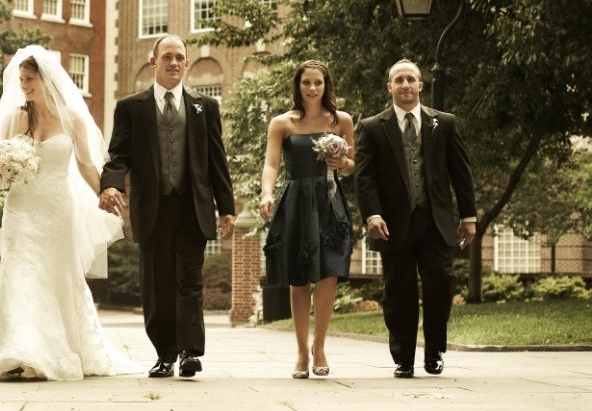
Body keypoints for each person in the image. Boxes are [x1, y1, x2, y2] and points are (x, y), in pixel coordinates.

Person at [0, 45, 139, 381]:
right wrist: (2, 172)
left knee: (55, 276)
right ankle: (18, 351)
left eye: (29, 79)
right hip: (21, 207)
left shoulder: (71, 117)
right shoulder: (16, 116)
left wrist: (105, 189)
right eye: (21, 79)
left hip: (56, 208)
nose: (24, 85)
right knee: (19, 274)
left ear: (45, 78)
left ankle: (54, 347)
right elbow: (1, 163)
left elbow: (85, 164)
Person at [99, 34, 236, 379]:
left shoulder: (206, 108)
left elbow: (216, 161)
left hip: (192, 207)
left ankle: (190, 352)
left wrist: (227, 208)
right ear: (153, 62)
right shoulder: (132, 107)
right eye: (167, 57)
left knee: (189, 280)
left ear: (186, 63)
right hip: (153, 208)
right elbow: (119, 156)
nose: (174, 63)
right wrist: (111, 185)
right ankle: (165, 354)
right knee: (158, 286)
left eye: (180, 57)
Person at [354, 59, 476, 378]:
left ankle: (434, 350)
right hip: (393, 224)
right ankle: (404, 357)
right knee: (399, 290)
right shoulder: (371, 127)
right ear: (390, 87)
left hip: (435, 220)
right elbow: (364, 178)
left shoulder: (444, 123)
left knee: (440, 283)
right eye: (399, 80)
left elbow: (460, 173)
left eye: (411, 79)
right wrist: (372, 214)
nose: (405, 85)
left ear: (420, 85)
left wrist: (468, 216)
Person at [259, 60, 355, 379]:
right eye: (306, 83)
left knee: (328, 274)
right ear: (297, 86)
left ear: (326, 85)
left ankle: (320, 347)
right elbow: (271, 164)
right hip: (296, 203)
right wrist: (266, 193)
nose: (312, 88)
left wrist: (342, 162)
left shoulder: (341, 121)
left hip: (329, 202)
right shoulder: (281, 123)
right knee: (298, 278)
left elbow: (353, 165)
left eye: (318, 82)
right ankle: (301, 353)